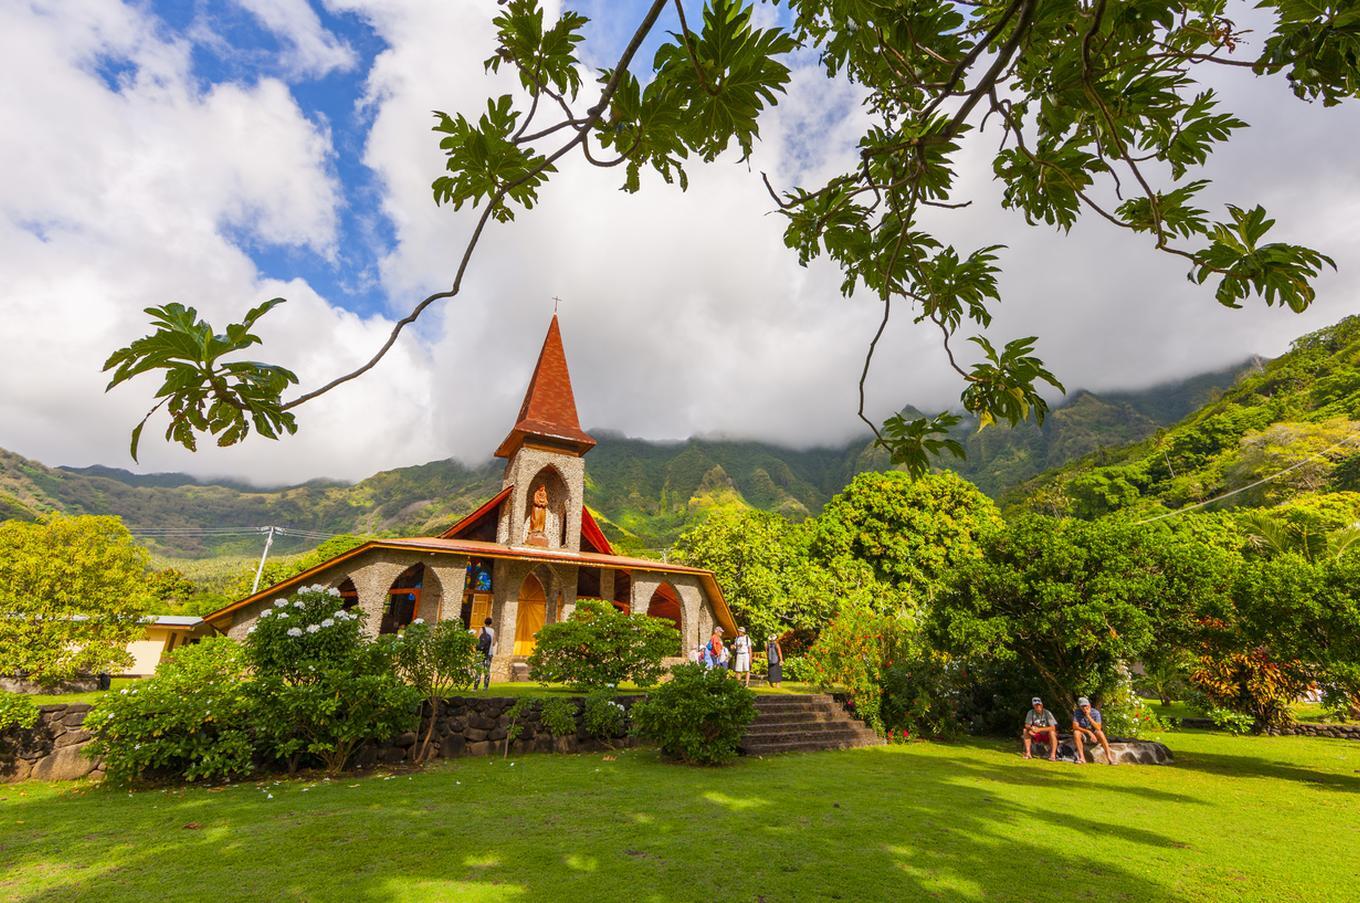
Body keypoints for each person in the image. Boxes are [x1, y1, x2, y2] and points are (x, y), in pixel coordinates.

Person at [1072, 696, 1114, 765]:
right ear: (1080, 707)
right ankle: (1082, 758)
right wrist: (1088, 732)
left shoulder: (1096, 713)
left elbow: (1098, 727)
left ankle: (1110, 758)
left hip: (1095, 733)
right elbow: (1075, 726)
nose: (1085, 708)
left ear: (1089, 705)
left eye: (1086, 706)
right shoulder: (1077, 712)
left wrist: (1088, 716)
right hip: (1084, 732)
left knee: (1100, 733)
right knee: (1076, 733)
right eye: (1082, 706)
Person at [1023, 697, 1059, 761]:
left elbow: (1054, 727)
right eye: (1036, 705)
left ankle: (1053, 755)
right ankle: (1028, 753)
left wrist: (1040, 729)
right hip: (1036, 734)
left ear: (1042, 704)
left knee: (1052, 732)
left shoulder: (1047, 713)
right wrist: (1031, 728)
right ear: (1033, 705)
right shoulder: (1030, 712)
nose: (1038, 706)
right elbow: (1026, 725)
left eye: (1039, 704)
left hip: (1046, 734)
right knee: (1025, 730)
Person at [475, 617, 496, 690]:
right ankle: (485, 687)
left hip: (480, 652)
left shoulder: (481, 629)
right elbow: (493, 643)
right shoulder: (493, 631)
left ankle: (475, 687)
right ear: (491, 623)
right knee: (487, 669)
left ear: (484, 622)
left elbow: (477, 640)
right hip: (489, 653)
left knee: (478, 669)